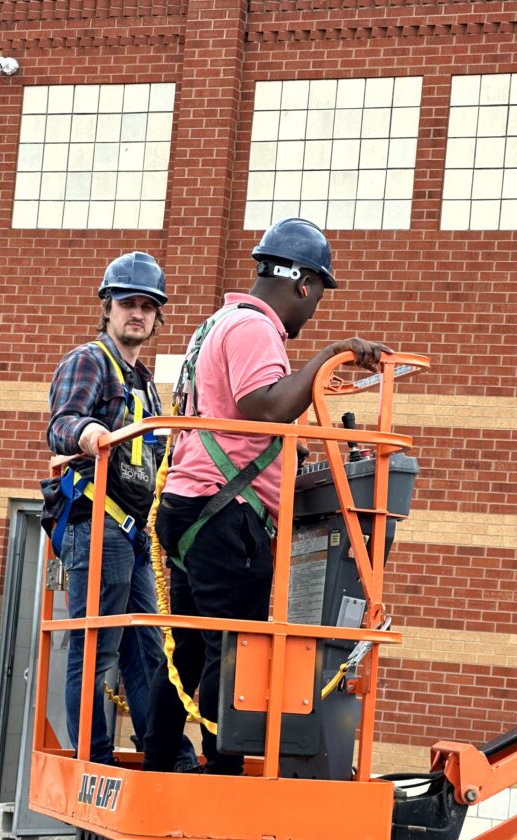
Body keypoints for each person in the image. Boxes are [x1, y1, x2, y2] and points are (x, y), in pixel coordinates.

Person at [142, 218, 391, 775]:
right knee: (234, 657)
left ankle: (161, 764)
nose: (317, 307)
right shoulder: (255, 329)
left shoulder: (217, 324)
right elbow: (266, 408)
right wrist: (330, 354)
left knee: (188, 649)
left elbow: (235, 416)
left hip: (193, 506)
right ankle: (221, 781)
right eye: (320, 293)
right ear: (302, 283)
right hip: (225, 516)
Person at [42, 251, 196, 768]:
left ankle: (166, 755)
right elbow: (61, 423)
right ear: (107, 307)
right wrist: (90, 433)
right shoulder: (90, 361)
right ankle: (96, 758)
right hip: (97, 521)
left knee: (149, 649)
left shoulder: (147, 384)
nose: (139, 313)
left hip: (131, 534)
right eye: (128, 303)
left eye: (148, 306)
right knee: (96, 648)